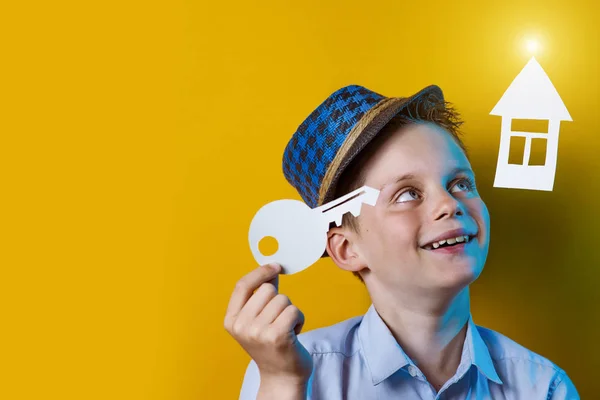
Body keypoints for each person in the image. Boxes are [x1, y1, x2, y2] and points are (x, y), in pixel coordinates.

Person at [224, 84, 580, 399]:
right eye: (408, 194)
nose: (450, 204)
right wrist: (282, 384)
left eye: (460, 183)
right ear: (348, 249)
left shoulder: (544, 387)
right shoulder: (287, 375)